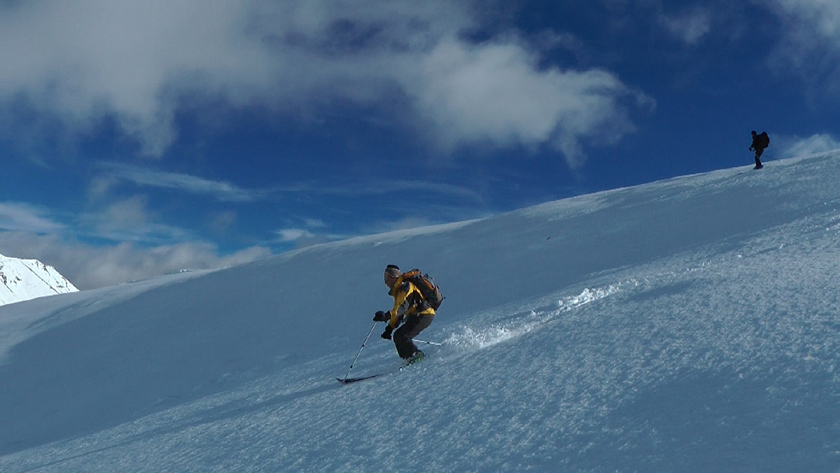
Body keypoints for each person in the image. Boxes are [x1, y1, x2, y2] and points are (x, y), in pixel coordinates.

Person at [373, 264, 435, 364]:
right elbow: (398, 313)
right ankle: (408, 359)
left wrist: (386, 316)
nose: (385, 283)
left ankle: (416, 356)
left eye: (386, 278)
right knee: (397, 336)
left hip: (423, 314)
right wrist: (389, 328)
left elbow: (402, 308)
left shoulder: (405, 287)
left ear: (393, 277)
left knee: (402, 335)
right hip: (418, 315)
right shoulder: (398, 291)